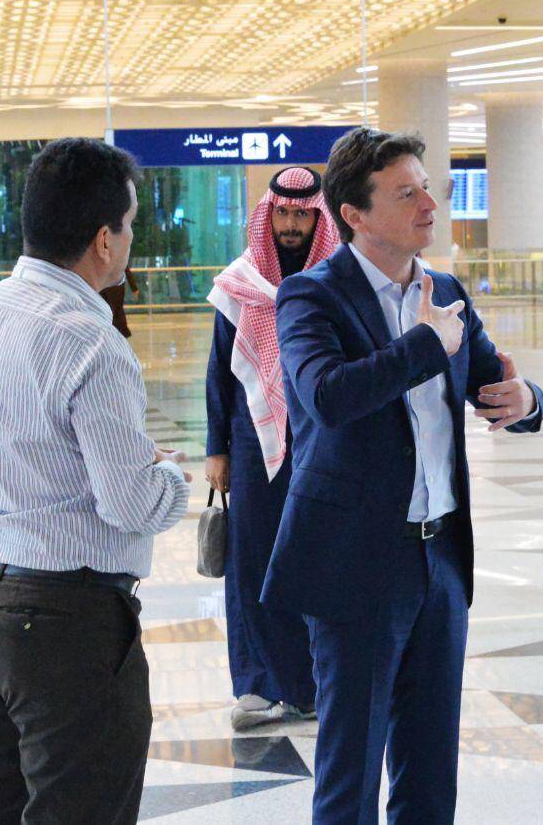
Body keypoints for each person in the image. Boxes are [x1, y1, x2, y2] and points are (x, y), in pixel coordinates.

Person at [265, 127, 543, 823]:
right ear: (355, 215)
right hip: (356, 562)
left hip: (439, 559)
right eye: (406, 191)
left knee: (429, 773)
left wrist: (528, 400)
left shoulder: (445, 292)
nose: (429, 202)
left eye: (427, 185)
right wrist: (425, 344)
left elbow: (490, 382)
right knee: (350, 772)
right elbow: (327, 396)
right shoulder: (310, 297)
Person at [0, 138, 191, 824]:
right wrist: (171, 475)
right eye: (129, 226)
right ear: (104, 238)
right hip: (64, 625)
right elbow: (130, 502)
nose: (128, 242)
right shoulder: (90, 341)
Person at [205, 166, 339, 731]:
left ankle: (311, 686)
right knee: (252, 560)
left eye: (301, 214)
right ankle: (258, 684)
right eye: (281, 213)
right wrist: (217, 449)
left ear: (317, 217)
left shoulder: (336, 281)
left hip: (323, 441)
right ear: (269, 215)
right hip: (251, 442)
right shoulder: (240, 283)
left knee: (316, 558)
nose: (290, 224)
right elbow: (219, 371)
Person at [100, 263, 141, 338]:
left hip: (108, 288)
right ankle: (120, 333)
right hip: (114, 287)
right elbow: (126, 269)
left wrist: (134, 288)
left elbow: (126, 269)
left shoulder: (101, 256)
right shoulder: (117, 255)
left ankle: (116, 333)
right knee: (116, 310)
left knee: (113, 310)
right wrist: (134, 288)